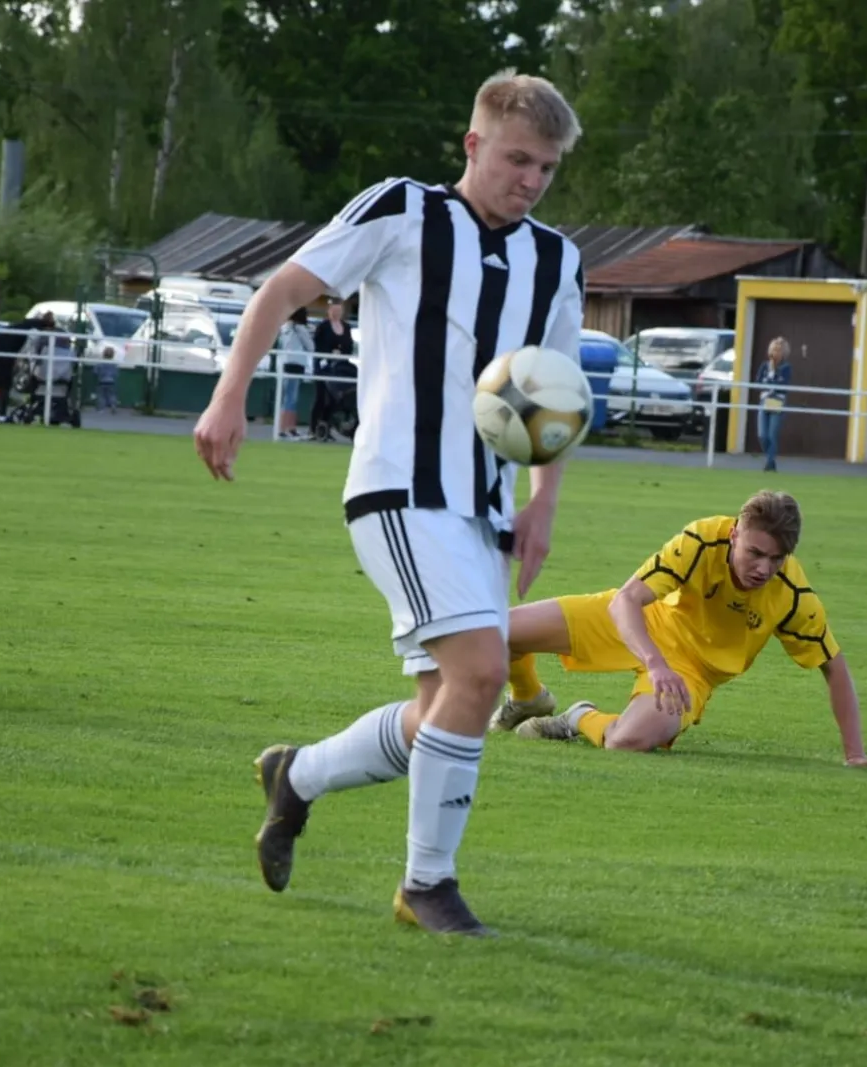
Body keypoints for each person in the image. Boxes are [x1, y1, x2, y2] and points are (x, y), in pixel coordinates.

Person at [192, 70, 586, 936]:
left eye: (548, 168)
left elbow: (555, 392)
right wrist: (229, 397)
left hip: (483, 510)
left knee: (441, 706)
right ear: (474, 144)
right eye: (518, 159)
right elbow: (280, 290)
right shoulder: (403, 209)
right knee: (482, 674)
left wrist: (543, 503)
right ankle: (427, 885)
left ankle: (296, 775)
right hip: (400, 487)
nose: (531, 180)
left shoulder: (556, 260)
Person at [491, 490, 867, 767]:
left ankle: (578, 718)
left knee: (626, 741)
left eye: (777, 559)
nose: (764, 568)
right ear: (734, 534)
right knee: (495, 630)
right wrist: (654, 661)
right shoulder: (701, 540)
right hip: (646, 620)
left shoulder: (793, 594)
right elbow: (625, 601)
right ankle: (528, 697)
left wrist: (855, 754)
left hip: (691, 671)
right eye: (755, 553)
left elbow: (834, 666)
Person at [0, 310, 54, 422]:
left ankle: (2, 414)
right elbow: (29, 349)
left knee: (3, 385)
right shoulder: (33, 329)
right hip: (3, 354)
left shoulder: (25, 324)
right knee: (4, 386)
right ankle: (2, 416)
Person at [309, 298, 356, 442]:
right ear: (329, 310)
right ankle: (314, 428)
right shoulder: (323, 327)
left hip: (340, 367)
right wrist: (330, 352)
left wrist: (341, 353)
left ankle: (326, 426)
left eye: (339, 309)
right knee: (321, 397)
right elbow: (317, 346)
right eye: (334, 309)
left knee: (337, 398)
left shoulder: (346, 327)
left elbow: (349, 347)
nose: (336, 312)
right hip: (324, 367)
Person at [276, 307, 315, 440]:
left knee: (288, 397)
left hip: (285, 363)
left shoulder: (284, 328)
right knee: (291, 398)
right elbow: (311, 347)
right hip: (297, 364)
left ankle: (289, 428)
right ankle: (285, 429)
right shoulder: (300, 329)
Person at [756, 336, 792, 472]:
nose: (775, 353)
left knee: (772, 434)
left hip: (777, 401)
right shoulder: (764, 366)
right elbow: (759, 381)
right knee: (762, 435)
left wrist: (773, 379)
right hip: (765, 400)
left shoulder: (786, 367)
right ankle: (770, 458)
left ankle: (770, 463)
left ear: (784, 353)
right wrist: (771, 380)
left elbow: (783, 385)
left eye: (779, 350)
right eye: (774, 349)